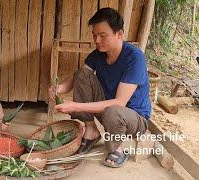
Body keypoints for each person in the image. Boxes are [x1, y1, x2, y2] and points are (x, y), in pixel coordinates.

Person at [49, 8, 151, 168]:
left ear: (119, 34)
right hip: (109, 113)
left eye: (102, 36)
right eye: (94, 35)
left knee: (114, 110)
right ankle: (91, 131)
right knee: (82, 73)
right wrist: (60, 88)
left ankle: (118, 148)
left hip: (134, 120)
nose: (97, 40)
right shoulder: (98, 54)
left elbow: (119, 102)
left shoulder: (135, 58)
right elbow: (78, 78)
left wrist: (76, 105)